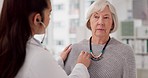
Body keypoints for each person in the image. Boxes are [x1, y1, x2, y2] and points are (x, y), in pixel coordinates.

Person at [0, 0, 91, 78]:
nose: (49, 18)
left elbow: (37, 72)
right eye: (49, 13)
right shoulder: (38, 56)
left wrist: (58, 61)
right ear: (37, 19)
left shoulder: (8, 48)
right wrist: (81, 66)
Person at [64, 0, 136, 78]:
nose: (100, 22)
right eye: (96, 16)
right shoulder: (74, 49)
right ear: (89, 22)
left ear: (112, 23)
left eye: (106, 17)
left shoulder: (125, 52)